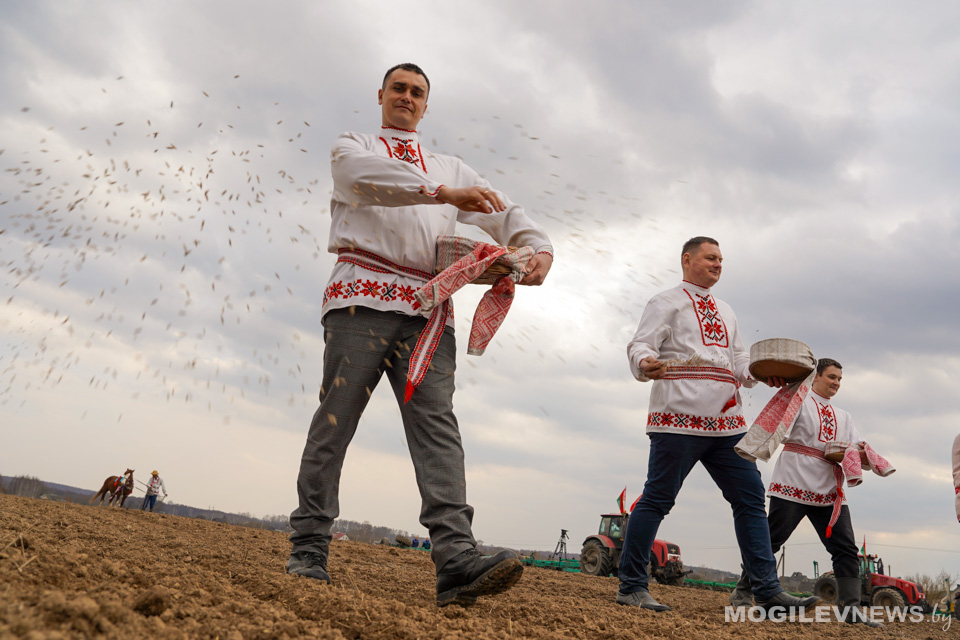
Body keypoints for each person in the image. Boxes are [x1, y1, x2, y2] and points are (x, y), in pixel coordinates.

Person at [287, 63, 554, 607]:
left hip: (427, 307)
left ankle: (456, 559)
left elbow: (501, 209)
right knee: (335, 420)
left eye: (418, 92)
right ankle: (310, 545)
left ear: (427, 106)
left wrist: (537, 244)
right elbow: (365, 178)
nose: (407, 97)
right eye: (399, 89)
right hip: (362, 295)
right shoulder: (354, 144)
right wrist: (442, 193)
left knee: (438, 428)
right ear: (381, 95)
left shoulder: (451, 165)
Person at [617, 236, 817, 613]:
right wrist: (645, 363)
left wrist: (760, 372)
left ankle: (766, 589)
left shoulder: (726, 309)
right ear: (687, 259)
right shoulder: (665, 301)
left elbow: (739, 360)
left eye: (721, 259)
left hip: (726, 424)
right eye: (710, 258)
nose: (718, 264)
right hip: (678, 418)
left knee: (750, 500)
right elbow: (639, 344)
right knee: (658, 499)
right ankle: (630, 586)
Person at [729, 359, 884, 627]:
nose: (836, 382)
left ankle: (851, 610)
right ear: (817, 377)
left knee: (845, 548)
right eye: (832, 377)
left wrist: (858, 452)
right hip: (794, 479)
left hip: (829, 488)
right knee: (772, 539)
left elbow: (854, 447)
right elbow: (779, 428)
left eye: (839, 379)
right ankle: (742, 591)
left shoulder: (845, 416)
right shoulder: (797, 401)